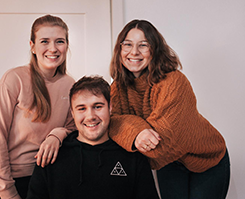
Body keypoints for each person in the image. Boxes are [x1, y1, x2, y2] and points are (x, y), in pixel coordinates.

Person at [109, 19, 230, 199]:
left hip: (207, 160)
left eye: (143, 45)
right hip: (171, 163)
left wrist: (131, 133)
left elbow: (160, 144)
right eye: (127, 44)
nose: (134, 52)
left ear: (155, 50)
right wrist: (137, 132)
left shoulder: (174, 82)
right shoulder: (118, 86)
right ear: (119, 49)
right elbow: (110, 122)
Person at [0, 15, 76, 199]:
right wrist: (7, 192)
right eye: (44, 41)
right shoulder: (14, 79)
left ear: (66, 45)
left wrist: (56, 135)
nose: (53, 48)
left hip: (48, 178)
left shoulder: (70, 84)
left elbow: (73, 127)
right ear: (32, 46)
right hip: (7, 181)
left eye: (59, 41)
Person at [26, 76, 160, 199]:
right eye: (81, 109)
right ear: (72, 113)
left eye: (97, 106)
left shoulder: (133, 156)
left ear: (110, 108)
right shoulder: (51, 155)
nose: (90, 116)